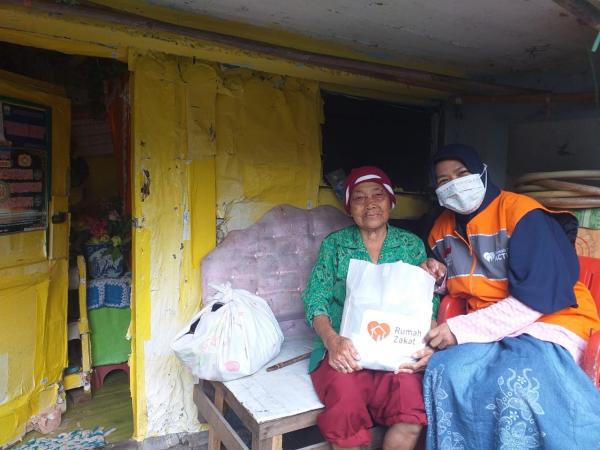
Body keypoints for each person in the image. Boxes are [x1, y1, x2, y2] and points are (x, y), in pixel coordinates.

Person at [407, 144, 600, 449]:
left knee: (511, 383)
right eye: (444, 181)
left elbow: (537, 298)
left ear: (481, 173)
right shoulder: (440, 229)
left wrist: (459, 330)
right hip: (487, 329)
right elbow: (459, 280)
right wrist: (438, 277)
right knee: (445, 370)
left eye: (462, 173)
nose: (454, 184)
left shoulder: (522, 214)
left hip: (548, 321)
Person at [302, 166, 440, 450]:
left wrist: (428, 343)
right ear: (349, 208)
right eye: (359, 198)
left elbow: (426, 302)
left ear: (391, 201)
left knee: (410, 408)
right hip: (346, 349)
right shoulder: (335, 245)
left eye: (378, 195)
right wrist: (333, 341)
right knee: (345, 409)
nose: (370, 204)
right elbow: (315, 299)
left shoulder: (410, 245)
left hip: (397, 349)